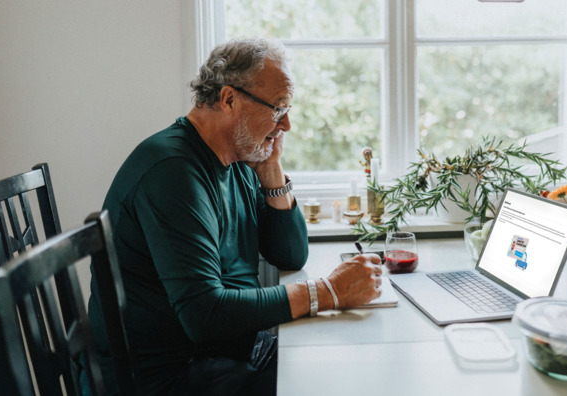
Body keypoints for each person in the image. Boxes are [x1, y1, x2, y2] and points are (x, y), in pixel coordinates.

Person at [86, 37, 382, 395]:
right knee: (328, 379)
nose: (286, 125)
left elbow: (289, 254)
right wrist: (328, 292)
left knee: (341, 362)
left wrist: (272, 169)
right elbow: (204, 314)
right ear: (229, 99)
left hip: (220, 355)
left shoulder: (238, 159)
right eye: (278, 108)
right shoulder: (173, 170)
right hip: (166, 376)